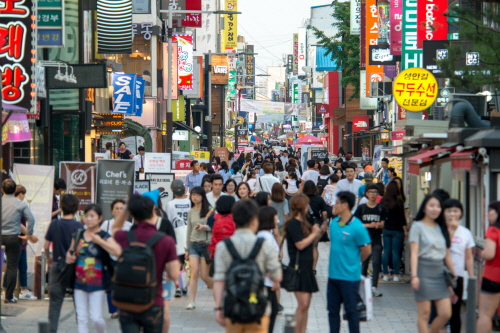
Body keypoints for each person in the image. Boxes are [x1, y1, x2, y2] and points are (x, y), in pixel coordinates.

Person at [113, 195, 180, 333]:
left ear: (132, 215)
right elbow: (174, 274)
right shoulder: (166, 241)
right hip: (153, 301)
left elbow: (115, 227)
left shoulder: (124, 237)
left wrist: (127, 207)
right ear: (153, 212)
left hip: (127, 302)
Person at [213, 199, 282, 331]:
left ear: (234, 221)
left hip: (233, 310)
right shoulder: (264, 244)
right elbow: (277, 276)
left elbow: (219, 280)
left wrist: (218, 308)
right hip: (259, 311)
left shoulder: (223, 246)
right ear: (255, 221)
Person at [65, 204, 121, 333]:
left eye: (92, 216)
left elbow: (118, 252)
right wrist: (69, 256)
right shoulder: (78, 235)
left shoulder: (104, 236)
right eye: (86, 216)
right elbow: (71, 251)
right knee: (82, 318)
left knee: (96, 318)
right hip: (79, 283)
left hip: (98, 284)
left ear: (100, 218)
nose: (89, 219)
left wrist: (101, 242)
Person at [409, 195, 456, 333]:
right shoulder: (417, 227)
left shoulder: (441, 227)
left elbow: (446, 253)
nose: (435, 209)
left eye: (438, 206)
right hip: (423, 271)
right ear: (424, 207)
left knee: (445, 313)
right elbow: (413, 253)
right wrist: (414, 276)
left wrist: (454, 274)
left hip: (440, 272)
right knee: (425, 313)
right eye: (431, 205)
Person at [328, 191, 372, 333]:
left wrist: (354, 263)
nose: (335, 204)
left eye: (338, 202)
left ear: (345, 205)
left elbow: (366, 250)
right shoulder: (334, 223)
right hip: (333, 276)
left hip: (350, 277)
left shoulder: (357, 226)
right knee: (332, 312)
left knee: (352, 312)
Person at [284, 194, 325, 333]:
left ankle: (302, 330)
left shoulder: (304, 222)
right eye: (306, 205)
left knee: (306, 305)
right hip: (298, 268)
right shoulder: (293, 223)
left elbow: (310, 243)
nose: (308, 208)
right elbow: (300, 245)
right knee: (303, 304)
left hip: (307, 268)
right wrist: (314, 234)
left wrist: (319, 233)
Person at [44, 194, 82, 332]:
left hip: (57, 266)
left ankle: (52, 330)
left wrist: (48, 258)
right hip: (75, 269)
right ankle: (81, 329)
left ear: (61, 207)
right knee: (79, 303)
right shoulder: (79, 226)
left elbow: (46, 245)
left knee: (55, 303)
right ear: (76, 209)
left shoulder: (54, 224)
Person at [438, 199, 474, 333]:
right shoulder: (439, 230)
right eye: (449, 211)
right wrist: (451, 230)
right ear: (443, 213)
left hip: (458, 275)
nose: (452, 214)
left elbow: (468, 256)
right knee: (441, 311)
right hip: (440, 275)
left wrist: (471, 277)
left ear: (461, 213)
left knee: (455, 311)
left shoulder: (465, 232)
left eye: (455, 211)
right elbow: (443, 249)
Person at [2, 180, 36, 304]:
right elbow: (31, 220)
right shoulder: (20, 204)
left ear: (2, 190)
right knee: (12, 267)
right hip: (13, 237)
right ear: (15, 190)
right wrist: (28, 234)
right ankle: (9, 296)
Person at [99, 198, 132, 318]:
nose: (119, 211)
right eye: (116, 209)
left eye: (121, 209)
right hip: (109, 259)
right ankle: (113, 310)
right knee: (111, 285)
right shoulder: (106, 225)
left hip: (125, 259)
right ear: (112, 211)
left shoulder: (129, 226)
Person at [354, 184, 387, 297]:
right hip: (364, 241)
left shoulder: (381, 208)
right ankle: (362, 286)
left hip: (376, 240)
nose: (373, 194)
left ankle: (374, 287)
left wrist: (379, 225)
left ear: (378, 194)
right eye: (371, 192)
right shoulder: (361, 208)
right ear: (366, 194)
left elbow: (383, 223)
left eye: (375, 192)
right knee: (364, 264)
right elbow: (356, 225)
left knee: (377, 262)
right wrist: (370, 225)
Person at [185, 187, 213, 310]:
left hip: (206, 245)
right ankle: (192, 301)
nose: (194, 197)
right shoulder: (190, 211)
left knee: (205, 276)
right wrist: (186, 248)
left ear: (202, 196)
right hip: (193, 244)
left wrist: (204, 227)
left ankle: (219, 293)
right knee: (194, 273)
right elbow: (188, 230)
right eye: (193, 195)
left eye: (197, 195)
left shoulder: (210, 210)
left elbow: (214, 227)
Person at [256, 206, 282, 333]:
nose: (277, 219)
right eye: (275, 216)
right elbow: (264, 262)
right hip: (266, 284)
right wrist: (274, 277)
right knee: (267, 321)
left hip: (267, 283)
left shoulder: (263, 235)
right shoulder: (265, 237)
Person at [476, 201, 500, 333]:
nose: (488, 213)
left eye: (491, 210)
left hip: (493, 276)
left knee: (485, 314)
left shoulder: (493, 230)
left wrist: (483, 253)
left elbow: (489, 254)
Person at [165, 179, 191, 297]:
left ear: (172, 190)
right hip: (189, 235)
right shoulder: (190, 202)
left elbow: (169, 222)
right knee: (187, 262)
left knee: (177, 262)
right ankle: (184, 285)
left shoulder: (170, 204)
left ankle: (178, 287)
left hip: (176, 235)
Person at [381, 182, 408, 282]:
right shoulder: (399, 202)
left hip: (386, 229)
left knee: (386, 252)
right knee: (395, 252)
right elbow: (402, 219)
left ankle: (385, 274)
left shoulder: (383, 201)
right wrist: (405, 231)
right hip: (397, 230)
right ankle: (396, 274)